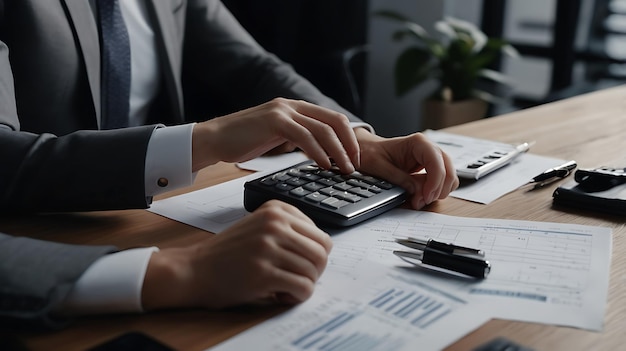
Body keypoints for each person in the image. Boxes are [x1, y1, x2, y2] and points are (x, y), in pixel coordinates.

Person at [0, 0, 459, 329]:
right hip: (48, 237)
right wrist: (209, 138)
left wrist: (356, 140)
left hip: (157, 217)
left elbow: (254, 68)